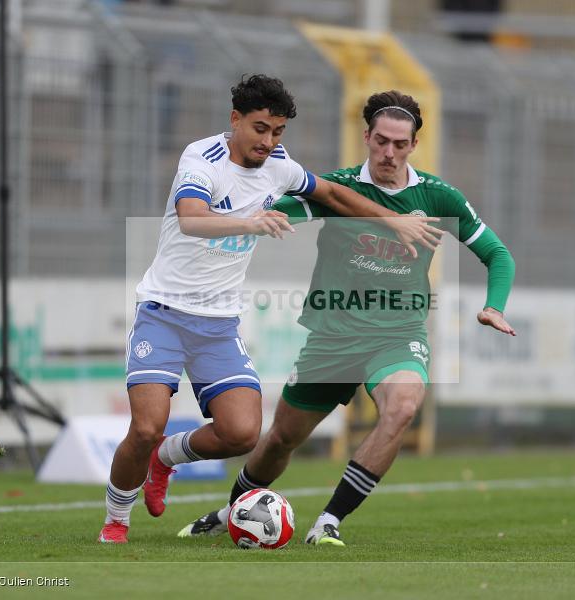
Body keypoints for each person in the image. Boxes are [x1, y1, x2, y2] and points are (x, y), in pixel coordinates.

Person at [99, 76, 443, 543]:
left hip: (218, 321)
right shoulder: (202, 159)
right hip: (164, 311)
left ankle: (165, 459)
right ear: (235, 119)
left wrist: (392, 221)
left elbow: (334, 195)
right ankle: (116, 519)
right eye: (260, 128)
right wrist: (252, 221)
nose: (269, 141)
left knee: (242, 433)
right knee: (145, 426)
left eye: (278, 131)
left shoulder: (279, 165)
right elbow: (191, 218)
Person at [178, 90, 516, 546]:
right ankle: (230, 511)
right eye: (381, 141)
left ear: (414, 145)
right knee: (280, 439)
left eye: (400, 144)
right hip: (332, 339)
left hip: (398, 334)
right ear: (367, 138)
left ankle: (329, 522)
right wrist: (248, 222)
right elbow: (273, 214)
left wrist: (494, 306)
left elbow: (497, 255)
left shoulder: (438, 196)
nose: (389, 153)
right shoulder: (339, 190)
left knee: (401, 409)